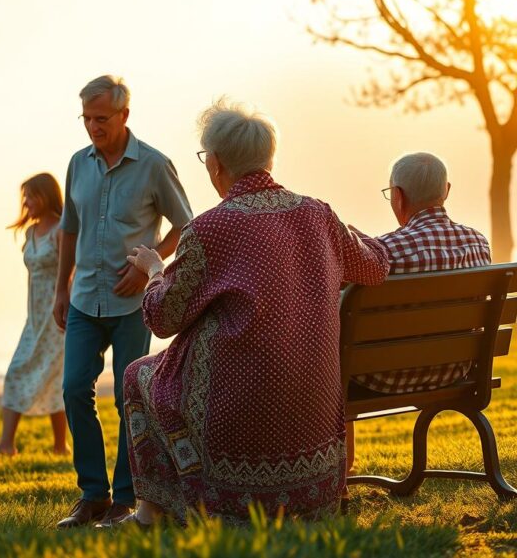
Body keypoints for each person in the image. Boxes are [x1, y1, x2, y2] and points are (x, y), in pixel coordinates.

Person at [117, 99, 389, 527]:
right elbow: (374, 265)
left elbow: (161, 318)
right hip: (313, 422)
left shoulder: (209, 229)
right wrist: (337, 226)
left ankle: (152, 514)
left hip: (238, 418)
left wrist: (154, 268)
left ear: (217, 164)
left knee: (138, 374)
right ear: (268, 158)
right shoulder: (317, 214)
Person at [54, 75, 194, 528]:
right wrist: (61, 288)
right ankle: (92, 495)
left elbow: (186, 225)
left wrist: (147, 267)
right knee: (75, 389)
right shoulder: (78, 164)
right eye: (86, 119)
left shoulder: (154, 164)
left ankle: (126, 499)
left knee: (128, 402)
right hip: (82, 302)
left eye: (101, 118)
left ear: (124, 115)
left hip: (132, 308)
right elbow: (69, 229)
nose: (93, 127)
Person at [346, 152, 491, 471]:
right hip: (456, 371)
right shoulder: (479, 243)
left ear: (398, 196)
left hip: (383, 378)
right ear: (447, 190)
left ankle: (343, 472)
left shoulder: (385, 251)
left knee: (334, 365)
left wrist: (358, 247)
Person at [0, 173, 70, 456]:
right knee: (18, 371)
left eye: (31, 195)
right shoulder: (30, 232)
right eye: (24, 196)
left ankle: (56, 446)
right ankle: (10, 445)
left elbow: (70, 273)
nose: (26, 202)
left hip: (58, 316)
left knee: (54, 378)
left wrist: (66, 309)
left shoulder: (63, 229)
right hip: (34, 317)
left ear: (47, 196)